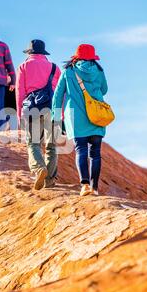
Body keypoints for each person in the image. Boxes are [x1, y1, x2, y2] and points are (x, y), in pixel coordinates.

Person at [52, 44, 108, 197]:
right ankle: (95, 188)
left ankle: (84, 186)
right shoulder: (98, 70)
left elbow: (58, 95)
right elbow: (104, 89)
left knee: (81, 150)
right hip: (96, 116)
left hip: (76, 118)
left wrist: (55, 117)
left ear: (76, 57)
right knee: (95, 153)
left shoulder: (68, 71)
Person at [16, 40, 61, 190]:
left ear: (29, 52)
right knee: (51, 146)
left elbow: (20, 92)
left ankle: (39, 167)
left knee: (33, 143)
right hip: (52, 108)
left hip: (32, 108)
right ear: (44, 53)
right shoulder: (55, 68)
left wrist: (19, 113)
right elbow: (61, 92)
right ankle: (49, 181)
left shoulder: (23, 66)